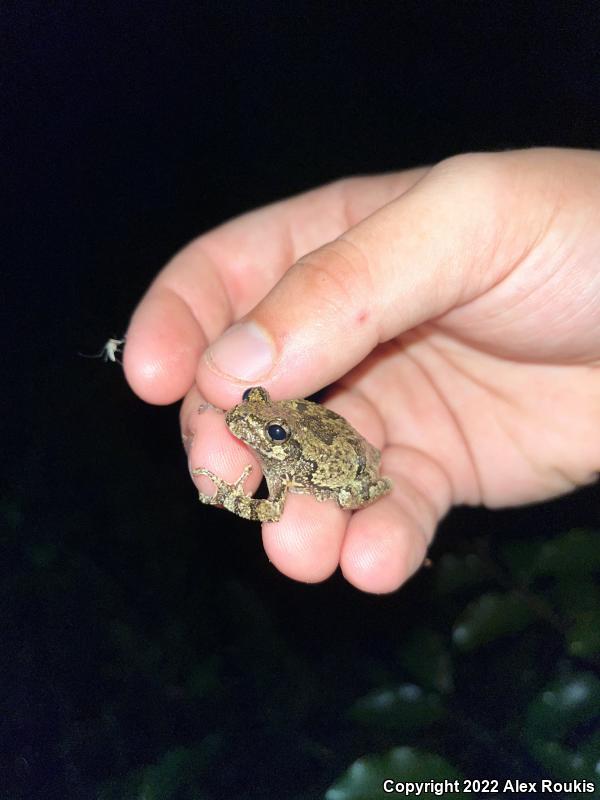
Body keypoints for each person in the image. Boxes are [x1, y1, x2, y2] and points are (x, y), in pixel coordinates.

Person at [123, 148, 600, 594]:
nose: (250, 418)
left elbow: (270, 506)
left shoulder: (289, 465)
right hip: (339, 436)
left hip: (352, 469)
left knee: (345, 514)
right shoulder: (278, 431)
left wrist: (230, 498)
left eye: (266, 427)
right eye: (254, 403)